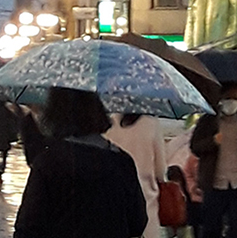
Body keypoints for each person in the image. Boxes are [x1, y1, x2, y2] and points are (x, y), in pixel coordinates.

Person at [13, 87, 148, 238]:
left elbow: (27, 227)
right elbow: (137, 223)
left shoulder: (48, 162)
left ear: (55, 113)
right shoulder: (122, 162)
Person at [190, 81, 237, 238]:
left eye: (235, 97)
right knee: (211, 229)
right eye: (228, 97)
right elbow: (195, 147)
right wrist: (212, 141)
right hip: (214, 184)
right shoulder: (209, 120)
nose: (232, 102)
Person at [107, 113, 167, 238]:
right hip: (146, 204)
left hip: (116, 202)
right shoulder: (152, 123)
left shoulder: (109, 123)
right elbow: (161, 171)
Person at [0, 100, 18, 178]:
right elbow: (13, 121)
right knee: (5, 151)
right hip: (5, 134)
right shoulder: (7, 111)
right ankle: (3, 166)